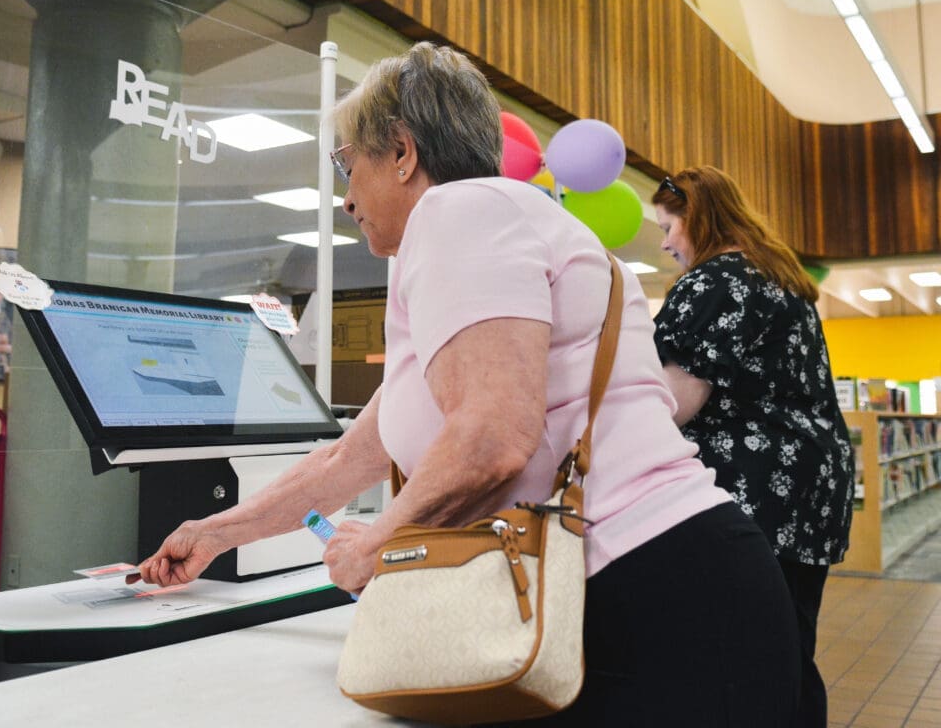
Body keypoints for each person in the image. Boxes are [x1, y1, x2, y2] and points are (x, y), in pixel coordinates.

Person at [136, 42, 800, 726]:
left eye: (347, 164)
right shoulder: (506, 221)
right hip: (670, 580)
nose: (345, 195)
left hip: (652, 593)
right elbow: (348, 457)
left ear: (401, 152)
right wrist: (215, 532)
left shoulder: (458, 215)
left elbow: (491, 438)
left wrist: (377, 543)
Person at [651, 166, 855, 728]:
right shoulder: (777, 274)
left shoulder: (718, 280)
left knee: (747, 655)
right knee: (790, 647)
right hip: (808, 491)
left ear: (698, 217)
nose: (666, 241)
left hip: (754, 489)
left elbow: (675, 400)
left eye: (670, 225)